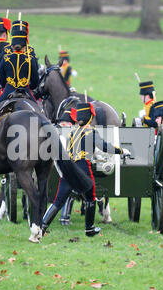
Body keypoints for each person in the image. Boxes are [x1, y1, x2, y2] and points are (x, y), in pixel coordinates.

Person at [42, 101, 131, 237]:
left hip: (69, 168)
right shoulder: (91, 132)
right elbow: (104, 147)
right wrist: (121, 151)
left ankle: (41, 227)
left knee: (58, 201)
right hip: (83, 167)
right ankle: (89, 228)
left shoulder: (72, 133)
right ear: (90, 117)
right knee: (91, 196)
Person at [0, 24, 39, 104]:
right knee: (39, 110)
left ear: (12, 47)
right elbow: (35, 81)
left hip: (8, 91)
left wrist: (5, 86)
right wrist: (30, 86)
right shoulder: (30, 59)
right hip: (25, 91)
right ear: (25, 47)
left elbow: (1, 78)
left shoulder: (5, 58)